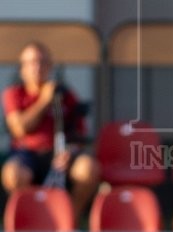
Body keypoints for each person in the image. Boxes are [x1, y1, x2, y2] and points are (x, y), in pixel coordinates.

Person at [2, 41, 100, 218]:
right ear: (22, 68)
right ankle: (31, 220)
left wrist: (69, 151)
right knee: (12, 174)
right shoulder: (14, 94)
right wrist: (44, 100)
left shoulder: (64, 94)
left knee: (88, 168)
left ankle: (68, 221)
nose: (37, 67)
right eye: (31, 62)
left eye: (42, 62)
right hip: (27, 155)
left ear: (50, 66)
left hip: (60, 156)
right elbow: (19, 129)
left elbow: (79, 133)